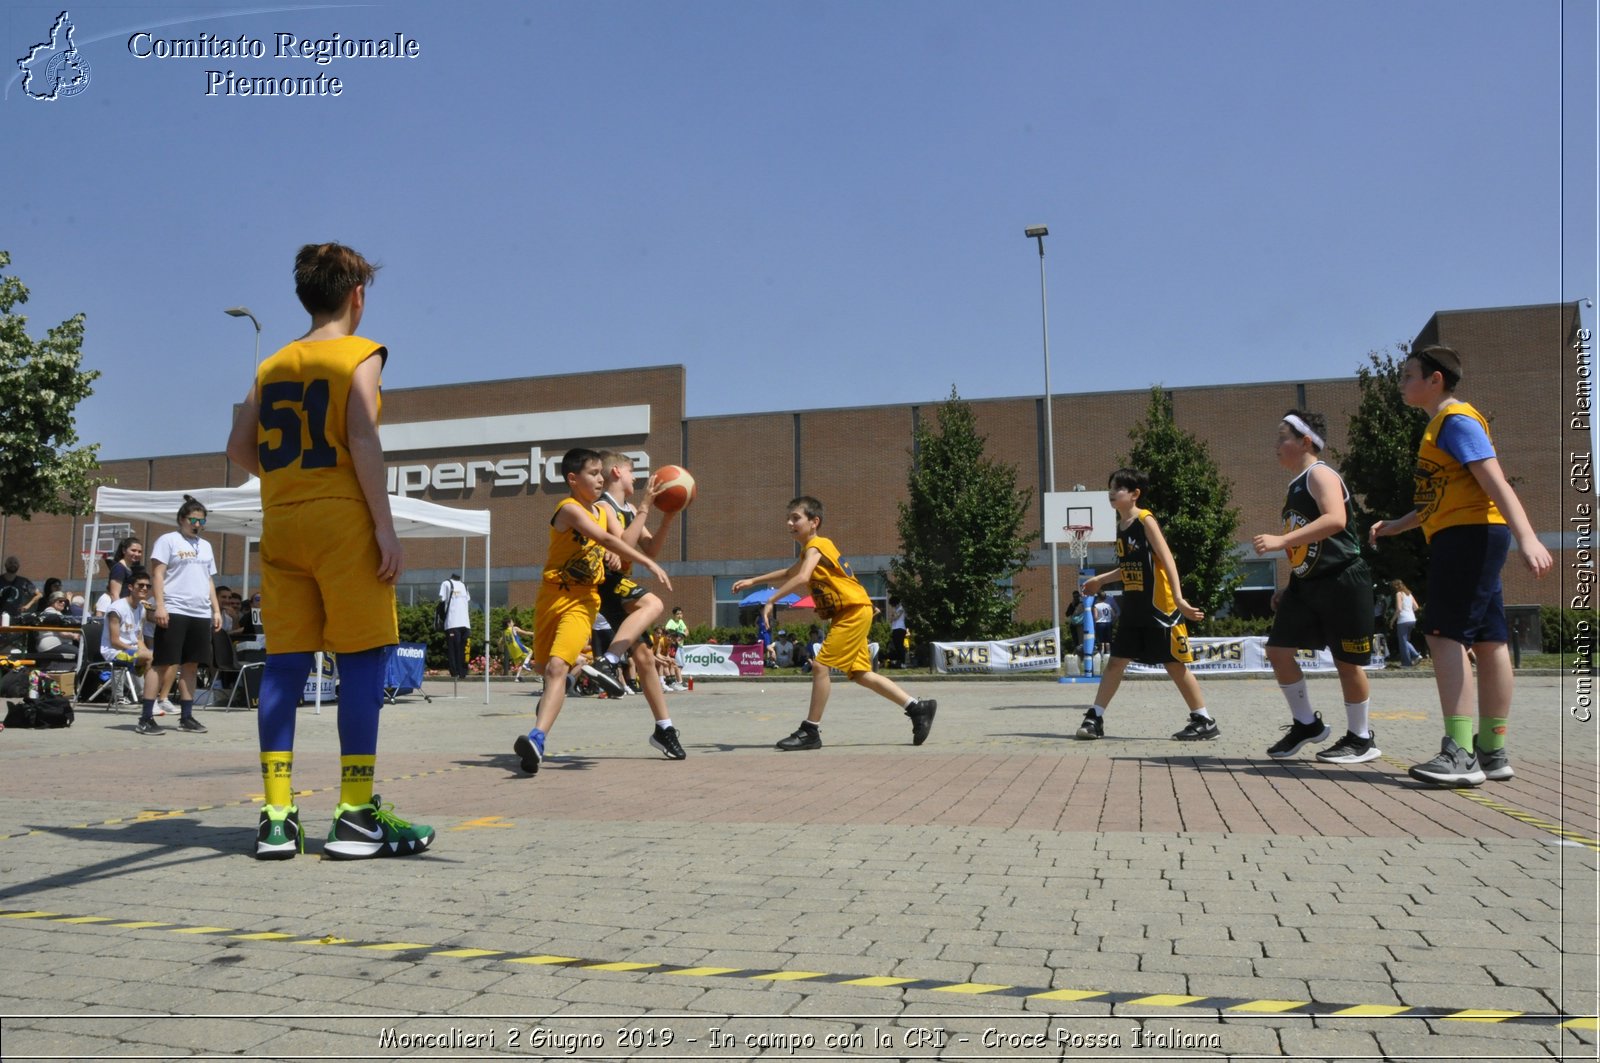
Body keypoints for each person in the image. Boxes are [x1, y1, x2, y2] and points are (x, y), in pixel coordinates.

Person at [225, 240, 434, 860]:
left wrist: (290, 480)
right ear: (357, 295)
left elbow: (238, 447)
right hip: (342, 521)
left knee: (285, 667)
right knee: (364, 662)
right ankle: (353, 816)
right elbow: (363, 438)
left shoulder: (273, 363)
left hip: (282, 520)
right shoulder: (361, 355)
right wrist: (385, 528)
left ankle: (277, 817)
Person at [1369, 345, 1553, 785]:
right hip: (1472, 533)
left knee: (1442, 634)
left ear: (1435, 380)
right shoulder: (1443, 426)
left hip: (1468, 537)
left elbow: (1496, 481)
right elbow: (1445, 496)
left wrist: (1527, 537)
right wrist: (1399, 524)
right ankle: (1492, 750)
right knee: (1489, 641)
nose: (1402, 383)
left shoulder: (1455, 421)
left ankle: (1459, 755)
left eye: (1409, 375)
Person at [512, 448, 672, 777]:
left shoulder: (606, 511)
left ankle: (537, 739)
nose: (600, 478)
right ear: (573, 479)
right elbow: (602, 538)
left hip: (584, 601)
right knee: (547, 672)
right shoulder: (568, 509)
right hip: (551, 598)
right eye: (593, 473)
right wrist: (647, 562)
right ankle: (581, 667)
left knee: (556, 668)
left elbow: (620, 541)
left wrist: (652, 521)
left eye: (602, 472)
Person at [732, 496, 935, 751]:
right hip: (852, 611)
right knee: (861, 674)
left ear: (814, 521)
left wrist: (771, 599)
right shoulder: (811, 550)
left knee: (820, 666)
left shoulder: (818, 545)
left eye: (796, 518)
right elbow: (789, 573)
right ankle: (918, 709)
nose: (789, 523)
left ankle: (810, 731)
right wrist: (753, 581)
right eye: (789, 518)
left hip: (852, 610)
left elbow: (802, 576)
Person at [1251, 410, 1379, 765]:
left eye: (1282, 438)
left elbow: (1335, 520)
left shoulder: (1320, 474)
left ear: (1305, 441)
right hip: (1307, 584)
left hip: (1343, 580)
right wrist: (1290, 580)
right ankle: (1306, 724)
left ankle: (1361, 737)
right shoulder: (1295, 486)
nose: (1276, 446)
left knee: (1347, 663)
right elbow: (1308, 545)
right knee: (1278, 650)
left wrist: (1280, 541)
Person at [1075, 468, 1214, 741]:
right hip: (1135, 607)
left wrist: (1178, 599)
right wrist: (1102, 579)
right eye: (1110, 487)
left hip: (1159, 607)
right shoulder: (1121, 527)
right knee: (1116, 662)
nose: (1112, 492)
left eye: (1118, 488)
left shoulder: (1145, 520)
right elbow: (1128, 567)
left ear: (1135, 494)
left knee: (1173, 663)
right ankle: (1095, 717)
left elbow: (1167, 559)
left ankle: (1204, 719)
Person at [592, 450, 687, 757]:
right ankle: (608, 660)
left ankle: (664, 729)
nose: (636, 478)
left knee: (645, 659)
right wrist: (646, 507)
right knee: (655, 604)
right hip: (608, 582)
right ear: (617, 472)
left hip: (620, 583)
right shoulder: (603, 507)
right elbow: (623, 547)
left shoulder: (632, 509)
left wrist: (669, 517)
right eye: (632, 472)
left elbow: (650, 549)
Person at [147, 497, 220, 736]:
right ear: (182, 519)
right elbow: (157, 574)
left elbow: (209, 579)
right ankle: (146, 716)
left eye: (201, 520)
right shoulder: (168, 540)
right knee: (162, 663)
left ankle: (186, 716)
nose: (197, 524)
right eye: (193, 520)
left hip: (199, 612)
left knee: (191, 665)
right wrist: (160, 605)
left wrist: (215, 610)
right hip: (174, 608)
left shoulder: (206, 546)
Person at [104, 570, 155, 725]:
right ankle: (150, 703)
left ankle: (153, 699)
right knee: (150, 658)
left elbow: (138, 637)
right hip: (114, 652)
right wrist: (140, 652)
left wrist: (145, 650)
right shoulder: (117, 608)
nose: (145, 588)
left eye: (148, 586)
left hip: (131, 649)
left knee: (161, 658)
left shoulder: (141, 608)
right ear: (131, 587)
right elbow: (114, 641)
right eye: (141, 585)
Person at [439, 574, 471, 679]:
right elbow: (442, 601)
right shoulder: (446, 584)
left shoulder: (464, 585)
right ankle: (454, 671)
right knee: (454, 649)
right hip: (452, 622)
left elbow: (467, 600)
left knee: (465, 649)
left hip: (465, 623)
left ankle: (463, 671)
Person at [1391, 579, 1422, 667]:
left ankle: (1407, 663)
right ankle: (1416, 655)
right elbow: (1416, 607)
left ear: (1396, 587)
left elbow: (1399, 609)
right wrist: (1408, 611)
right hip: (1412, 619)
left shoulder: (1399, 594)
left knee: (1402, 642)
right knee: (1404, 641)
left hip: (1403, 620)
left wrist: (1392, 620)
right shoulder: (1409, 594)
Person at [105, 536, 144, 602]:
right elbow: (114, 594)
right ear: (124, 550)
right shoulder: (119, 568)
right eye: (133, 550)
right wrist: (121, 610)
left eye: (139, 552)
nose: (137, 554)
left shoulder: (131, 570)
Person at [0, 556, 35, 621]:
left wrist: (28, 605)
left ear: (18, 566)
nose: (13, 564)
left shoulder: (23, 581)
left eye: (15, 563)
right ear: (5, 565)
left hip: (16, 617)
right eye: (10, 562)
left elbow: (38, 594)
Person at [504, 611, 535, 682]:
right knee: (530, 651)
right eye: (512, 621)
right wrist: (535, 633)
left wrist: (500, 647)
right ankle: (527, 664)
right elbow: (525, 633)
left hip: (512, 650)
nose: (513, 622)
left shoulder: (505, 632)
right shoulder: (514, 628)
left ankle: (517, 677)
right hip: (517, 646)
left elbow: (501, 642)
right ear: (509, 623)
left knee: (522, 662)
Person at [887, 596, 908, 668]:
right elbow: (891, 619)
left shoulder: (901, 609)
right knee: (896, 646)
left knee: (899, 646)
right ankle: (899, 662)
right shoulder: (896, 609)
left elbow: (895, 617)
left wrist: (893, 615)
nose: (892, 606)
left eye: (892, 604)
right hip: (895, 629)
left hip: (900, 628)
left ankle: (903, 662)